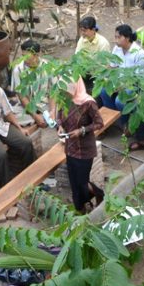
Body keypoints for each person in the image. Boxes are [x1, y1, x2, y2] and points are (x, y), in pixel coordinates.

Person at [98, 24, 144, 150]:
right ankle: (114, 121)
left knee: (120, 101)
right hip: (119, 82)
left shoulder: (139, 53)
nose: (115, 40)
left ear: (127, 38)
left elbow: (139, 78)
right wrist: (106, 77)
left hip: (134, 85)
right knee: (104, 91)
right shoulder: (117, 49)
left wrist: (121, 87)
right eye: (115, 37)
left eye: (118, 37)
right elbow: (112, 66)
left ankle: (126, 124)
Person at [57, 77, 105, 213]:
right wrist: (60, 126)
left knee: (82, 183)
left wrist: (81, 130)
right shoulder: (65, 100)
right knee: (74, 183)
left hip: (84, 150)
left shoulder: (88, 103)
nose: (66, 93)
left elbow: (99, 123)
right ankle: (80, 208)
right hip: (70, 148)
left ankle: (97, 193)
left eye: (68, 90)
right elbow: (59, 116)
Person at [10, 39, 48, 128]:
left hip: (45, 104)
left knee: (58, 110)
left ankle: (42, 118)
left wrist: (53, 112)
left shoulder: (47, 66)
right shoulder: (18, 70)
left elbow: (52, 95)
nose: (23, 59)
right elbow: (22, 97)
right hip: (26, 106)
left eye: (26, 56)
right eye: (22, 56)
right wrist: (35, 115)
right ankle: (40, 119)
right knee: (9, 116)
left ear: (37, 55)